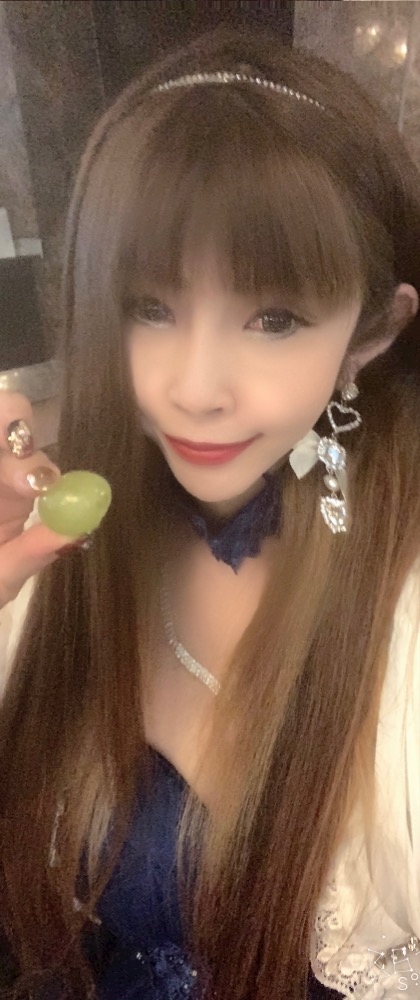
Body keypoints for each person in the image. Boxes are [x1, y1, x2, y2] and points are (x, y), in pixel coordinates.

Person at [0, 22, 420, 1000]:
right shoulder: (53, 548)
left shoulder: (400, 606)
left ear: (370, 335)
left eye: (274, 318)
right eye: (148, 306)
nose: (193, 390)